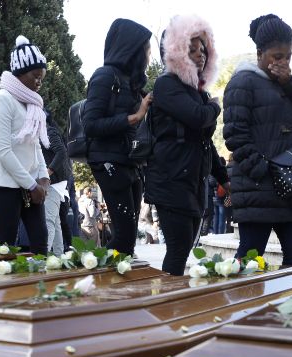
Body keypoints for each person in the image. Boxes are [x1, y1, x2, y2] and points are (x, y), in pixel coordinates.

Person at [223, 14, 292, 270]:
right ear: (259, 53)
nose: (283, 62)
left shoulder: (286, 83)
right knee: (248, 263)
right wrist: (265, 172)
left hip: (290, 190)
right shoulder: (242, 82)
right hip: (258, 190)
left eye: (288, 56)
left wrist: (291, 84)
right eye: (277, 57)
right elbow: (235, 136)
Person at [143, 14, 228, 276]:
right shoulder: (167, 84)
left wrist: (224, 178)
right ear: (177, 51)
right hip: (171, 180)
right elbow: (198, 117)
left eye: (203, 49)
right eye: (192, 49)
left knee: (184, 248)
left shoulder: (197, 91)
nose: (200, 54)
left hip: (192, 182)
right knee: (178, 249)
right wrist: (214, 107)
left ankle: (173, 296)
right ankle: (169, 298)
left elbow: (205, 143)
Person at [83, 18, 153, 255]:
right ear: (131, 49)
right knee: (124, 236)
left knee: (128, 238)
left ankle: (115, 275)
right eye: (146, 49)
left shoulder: (132, 83)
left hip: (130, 163)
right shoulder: (105, 76)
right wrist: (135, 116)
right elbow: (90, 124)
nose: (149, 55)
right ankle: (94, 271)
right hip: (108, 162)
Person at [0, 35, 50, 255]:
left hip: (31, 184)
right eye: (35, 76)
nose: (39, 82)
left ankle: (41, 278)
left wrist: (43, 178)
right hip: (5, 184)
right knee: (6, 245)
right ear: (20, 73)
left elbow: (35, 144)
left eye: (41, 78)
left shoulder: (31, 103)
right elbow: (3, 150)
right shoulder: (2, 100)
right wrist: (31, 185)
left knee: (40, 241)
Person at [41, 109, 71, 255]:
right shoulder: (44, 133)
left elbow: (62, 152)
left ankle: (43, 257)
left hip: (53, 183)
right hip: (54, 183)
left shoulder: (48, 132)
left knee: (49, 221)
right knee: (56, 221)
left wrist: (48, 172)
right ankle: (58, 255)